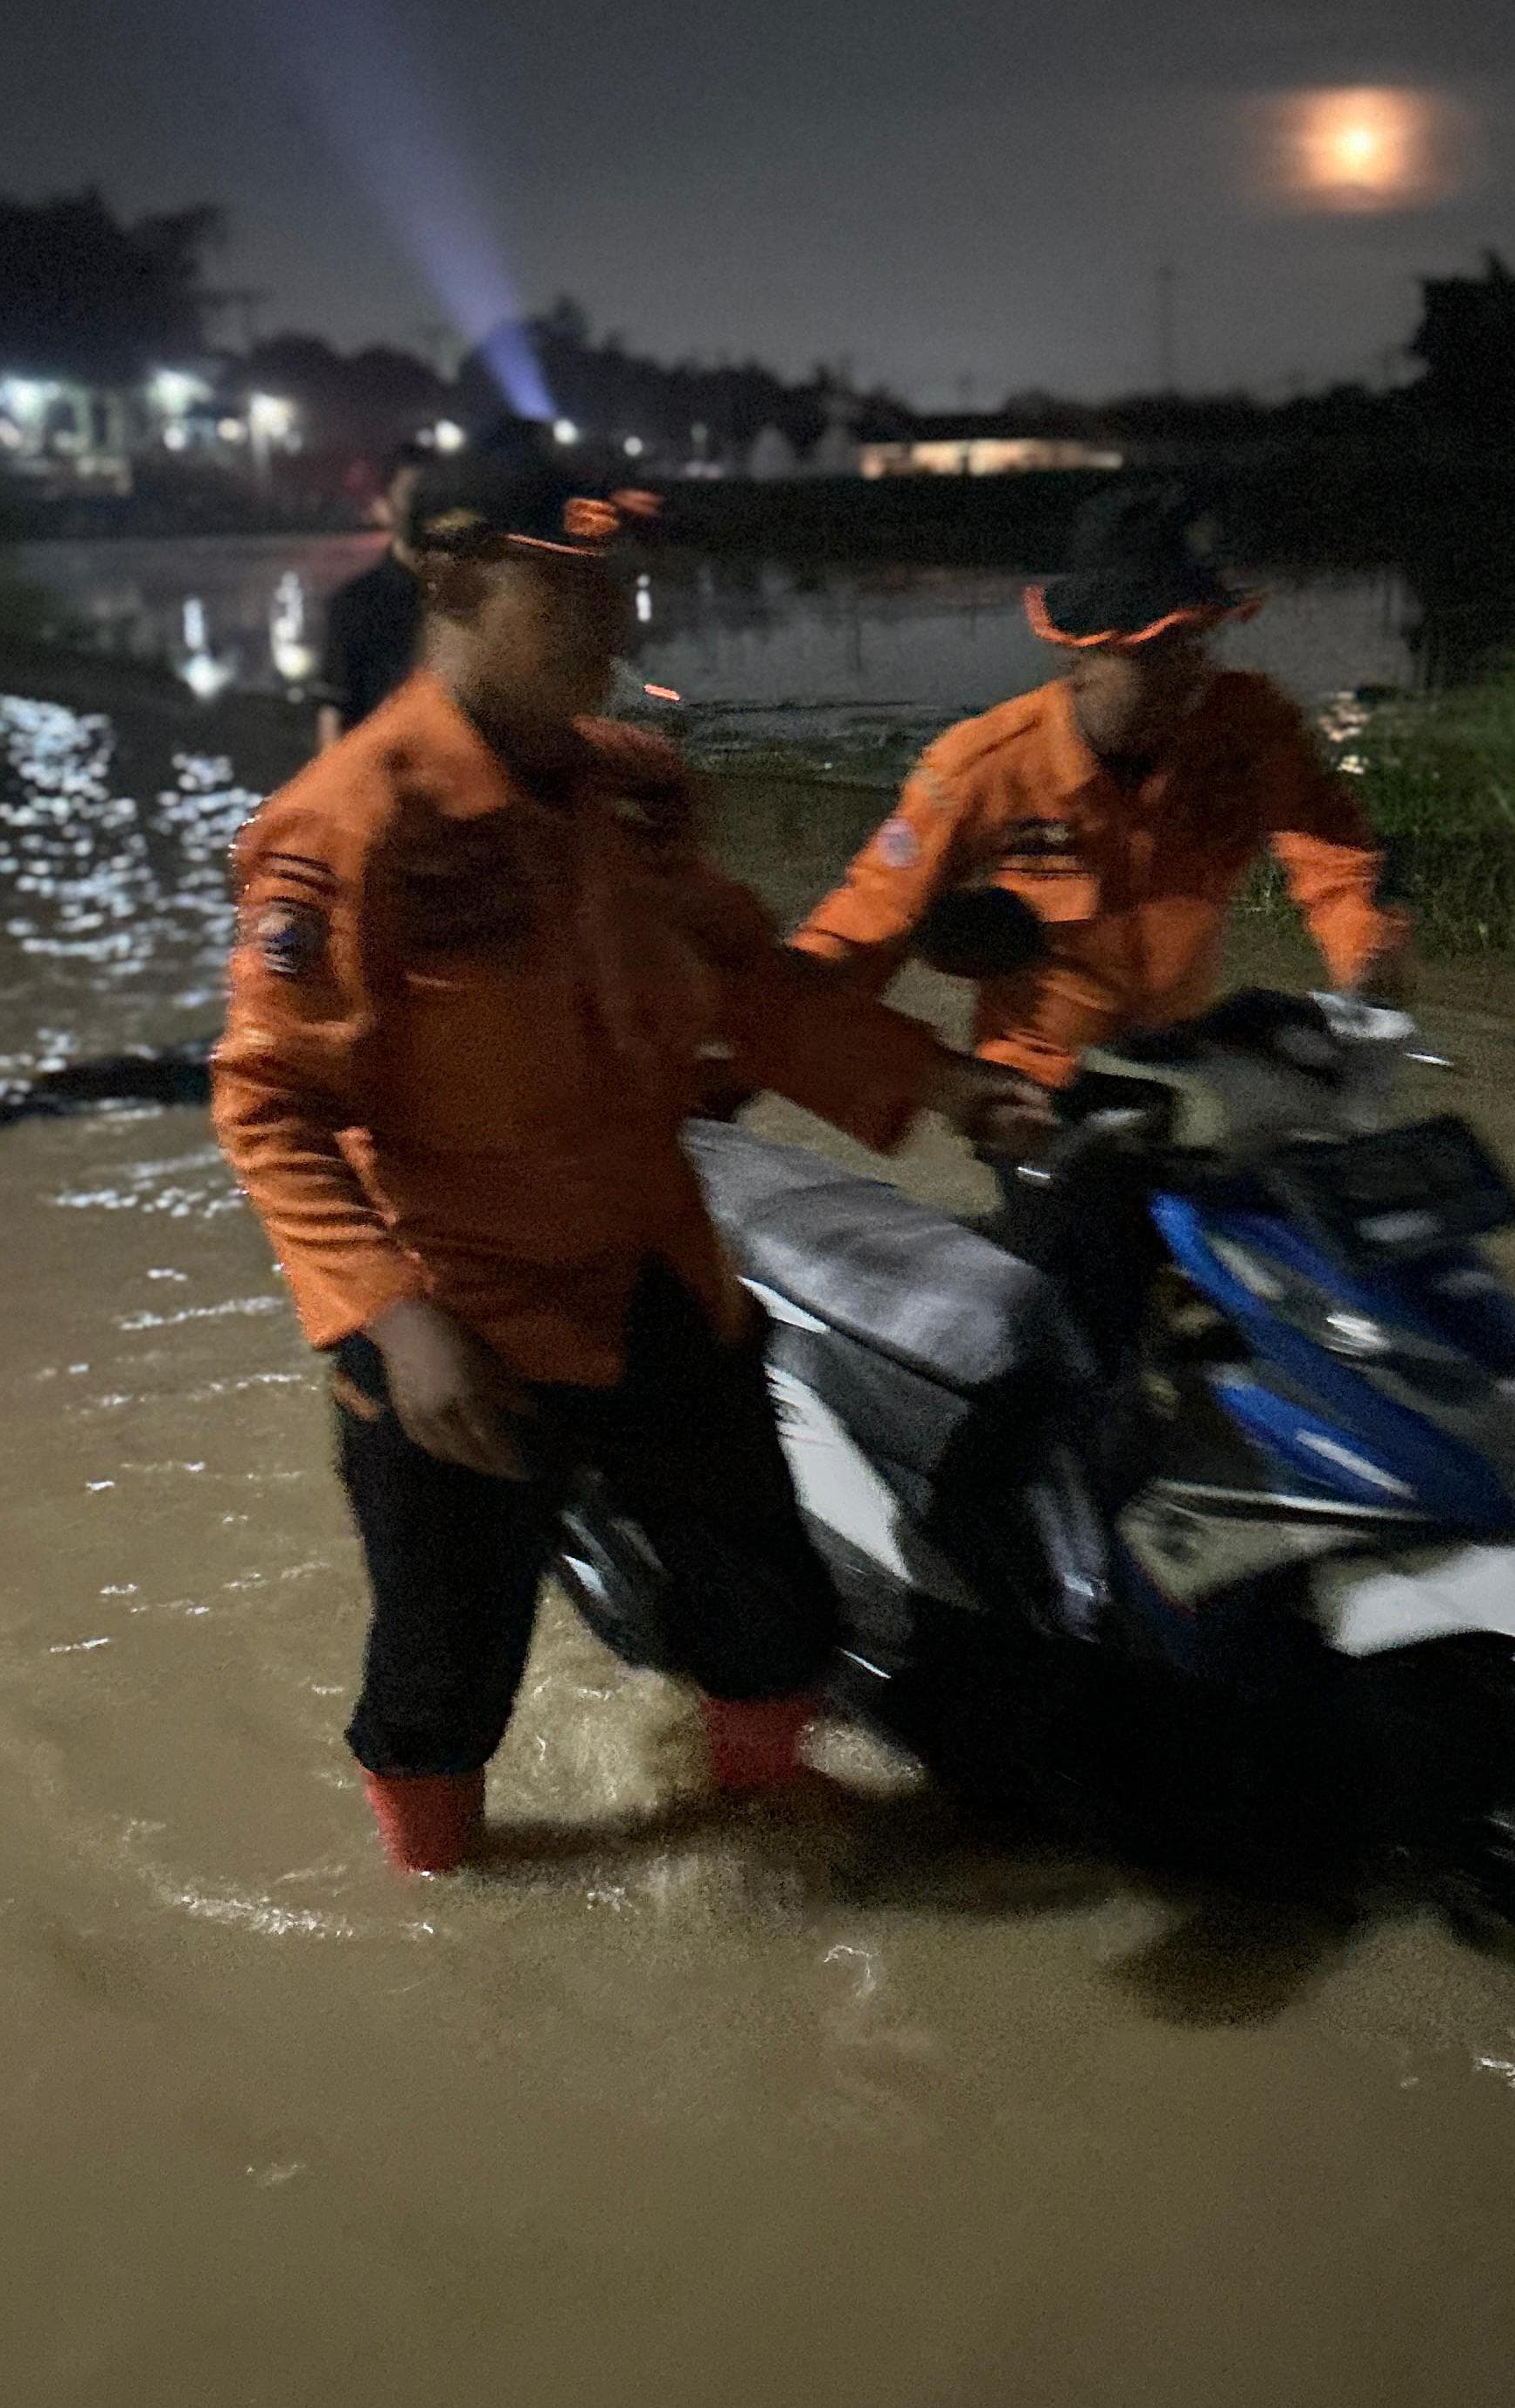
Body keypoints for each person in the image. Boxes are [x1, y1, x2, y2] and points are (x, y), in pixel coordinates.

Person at [211, 432, 1052, 1876]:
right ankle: (445, 1909)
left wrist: (949, 1085)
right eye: (565, 590)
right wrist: (395, 1323)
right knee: (440, 1675)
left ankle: (773, 1834)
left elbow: (747, 986)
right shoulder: (347, 829)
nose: (609, 627)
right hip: (458, 1314)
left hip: (653, 1271)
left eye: (617, 590)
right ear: (453, 579)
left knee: (771, 1609)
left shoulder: (629, 793)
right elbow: (267, 1106)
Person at [787, 484, 1413, 1099]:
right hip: (1036, 1090)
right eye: (1160, 647)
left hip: (1186, 1069)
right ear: (1077, 660)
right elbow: (865, 925)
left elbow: (1340, 865)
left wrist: (1369, 977)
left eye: (1200, 638)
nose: (1192, 668)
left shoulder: (1249, 728)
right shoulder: (982, 767)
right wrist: (764, 1020)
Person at [312, 446, 429, 753]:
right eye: (412, 497)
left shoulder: (476, 597)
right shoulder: (354, 604)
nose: (422, 512)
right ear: (384, 506)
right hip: (386, 778)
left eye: (431, 499)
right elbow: (335, 714)